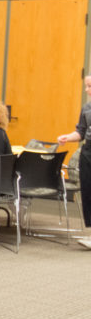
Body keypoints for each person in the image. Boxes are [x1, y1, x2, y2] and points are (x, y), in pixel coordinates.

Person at [56, 75, 91, 247]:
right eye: (86, 86)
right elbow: (81, 133)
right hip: (88, 153)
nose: (87, 90)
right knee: (88, 193)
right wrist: (67, 138)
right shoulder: (86, 108)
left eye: (89, 86)